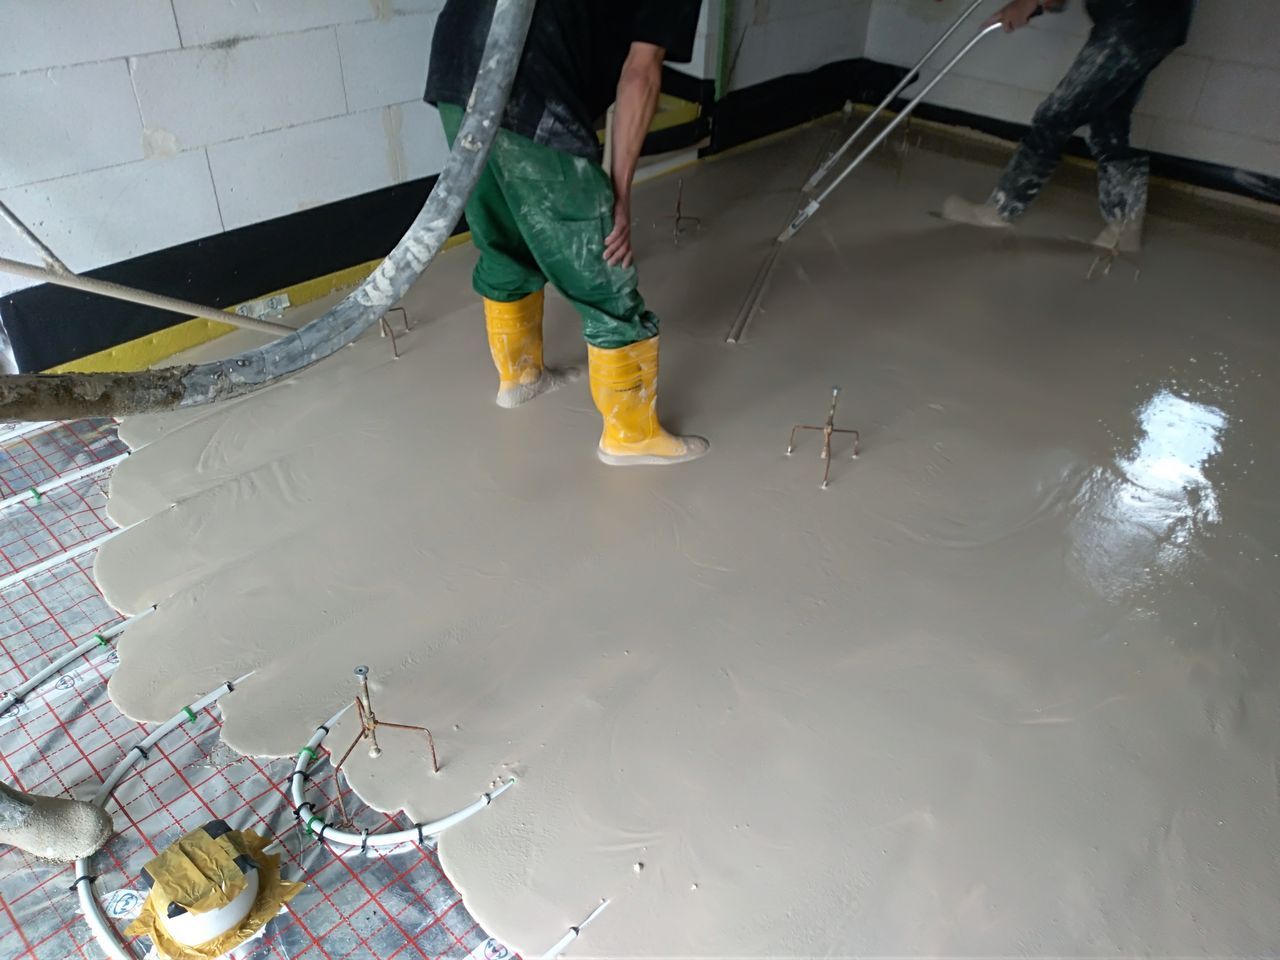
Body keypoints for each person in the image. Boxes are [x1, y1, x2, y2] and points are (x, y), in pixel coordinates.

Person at [425, 1, 709, 466]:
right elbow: (640, 74)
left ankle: (520, 377)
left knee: (504, 236)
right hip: (529, 79)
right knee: (600, 258)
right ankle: (631, 435)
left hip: (456, 63)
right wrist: (618, 194)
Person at [941, 0, 1197, 252]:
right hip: (1155, 20)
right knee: (1108, 120)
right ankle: (1125, 228)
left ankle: (1000, 209)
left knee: (1056, 115)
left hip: (1134, 19)